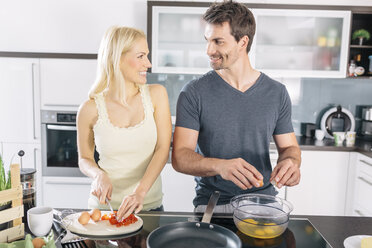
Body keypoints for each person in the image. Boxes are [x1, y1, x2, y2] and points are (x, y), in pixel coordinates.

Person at [172, 0, 301, 213]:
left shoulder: (277, 93)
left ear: (243, 42)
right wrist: (220, 166)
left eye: (218, 42)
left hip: (263, 202)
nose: (209, 50)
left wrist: (292, 162)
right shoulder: (194, 92)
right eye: (207, 41)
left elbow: (289, 148)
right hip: (213, 204)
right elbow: (180, 157)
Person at [77, 26, 172, 220]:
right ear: (117, 59)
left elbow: (163, 149)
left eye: (147, 55)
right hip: (104, 209)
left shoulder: (157, 95)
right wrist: (98, 175)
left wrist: (140, 192)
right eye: (141, 56)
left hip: (147, 207)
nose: (148, 63)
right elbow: (85, 159)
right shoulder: (89, 109)